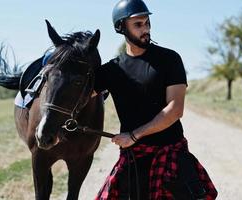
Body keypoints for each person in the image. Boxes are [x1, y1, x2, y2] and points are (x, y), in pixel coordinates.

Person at [93, 0, 218, 199]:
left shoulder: (169, 60)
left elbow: (175, 109)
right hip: (133, 159)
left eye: (147, 22)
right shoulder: (111, 70)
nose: (146, 29)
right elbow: (80, 97)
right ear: (121, 27)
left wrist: (133, 136)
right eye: (138, 24)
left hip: (171, 157)